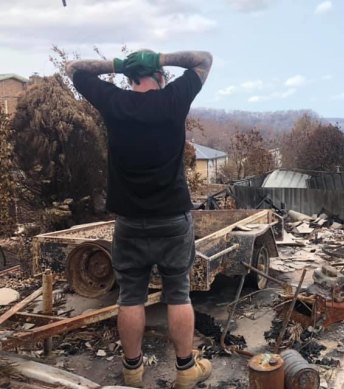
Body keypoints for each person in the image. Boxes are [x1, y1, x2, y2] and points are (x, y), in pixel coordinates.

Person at [65, 49, 213, 388]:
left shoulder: (114, 101)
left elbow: (74, 69)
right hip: (173, 218)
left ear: (130, 79)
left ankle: (132, 371)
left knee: (130, 295)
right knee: (178, 293)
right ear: (160, 79)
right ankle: (186, 370)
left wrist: (117, 65)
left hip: (130, 221)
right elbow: (204, 59)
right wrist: (159, 58)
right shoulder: (174, 98)